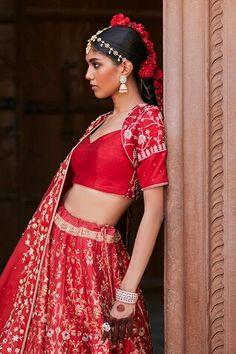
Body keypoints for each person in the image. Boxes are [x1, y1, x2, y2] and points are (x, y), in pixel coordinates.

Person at [0, 13, 168, 354]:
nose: (88, 75)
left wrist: (127, 291)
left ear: (124, 68)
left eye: (96, 64)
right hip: (53, 248)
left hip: (93, 259)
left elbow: (154, 212)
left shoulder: (145, 123)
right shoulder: (101, 121)